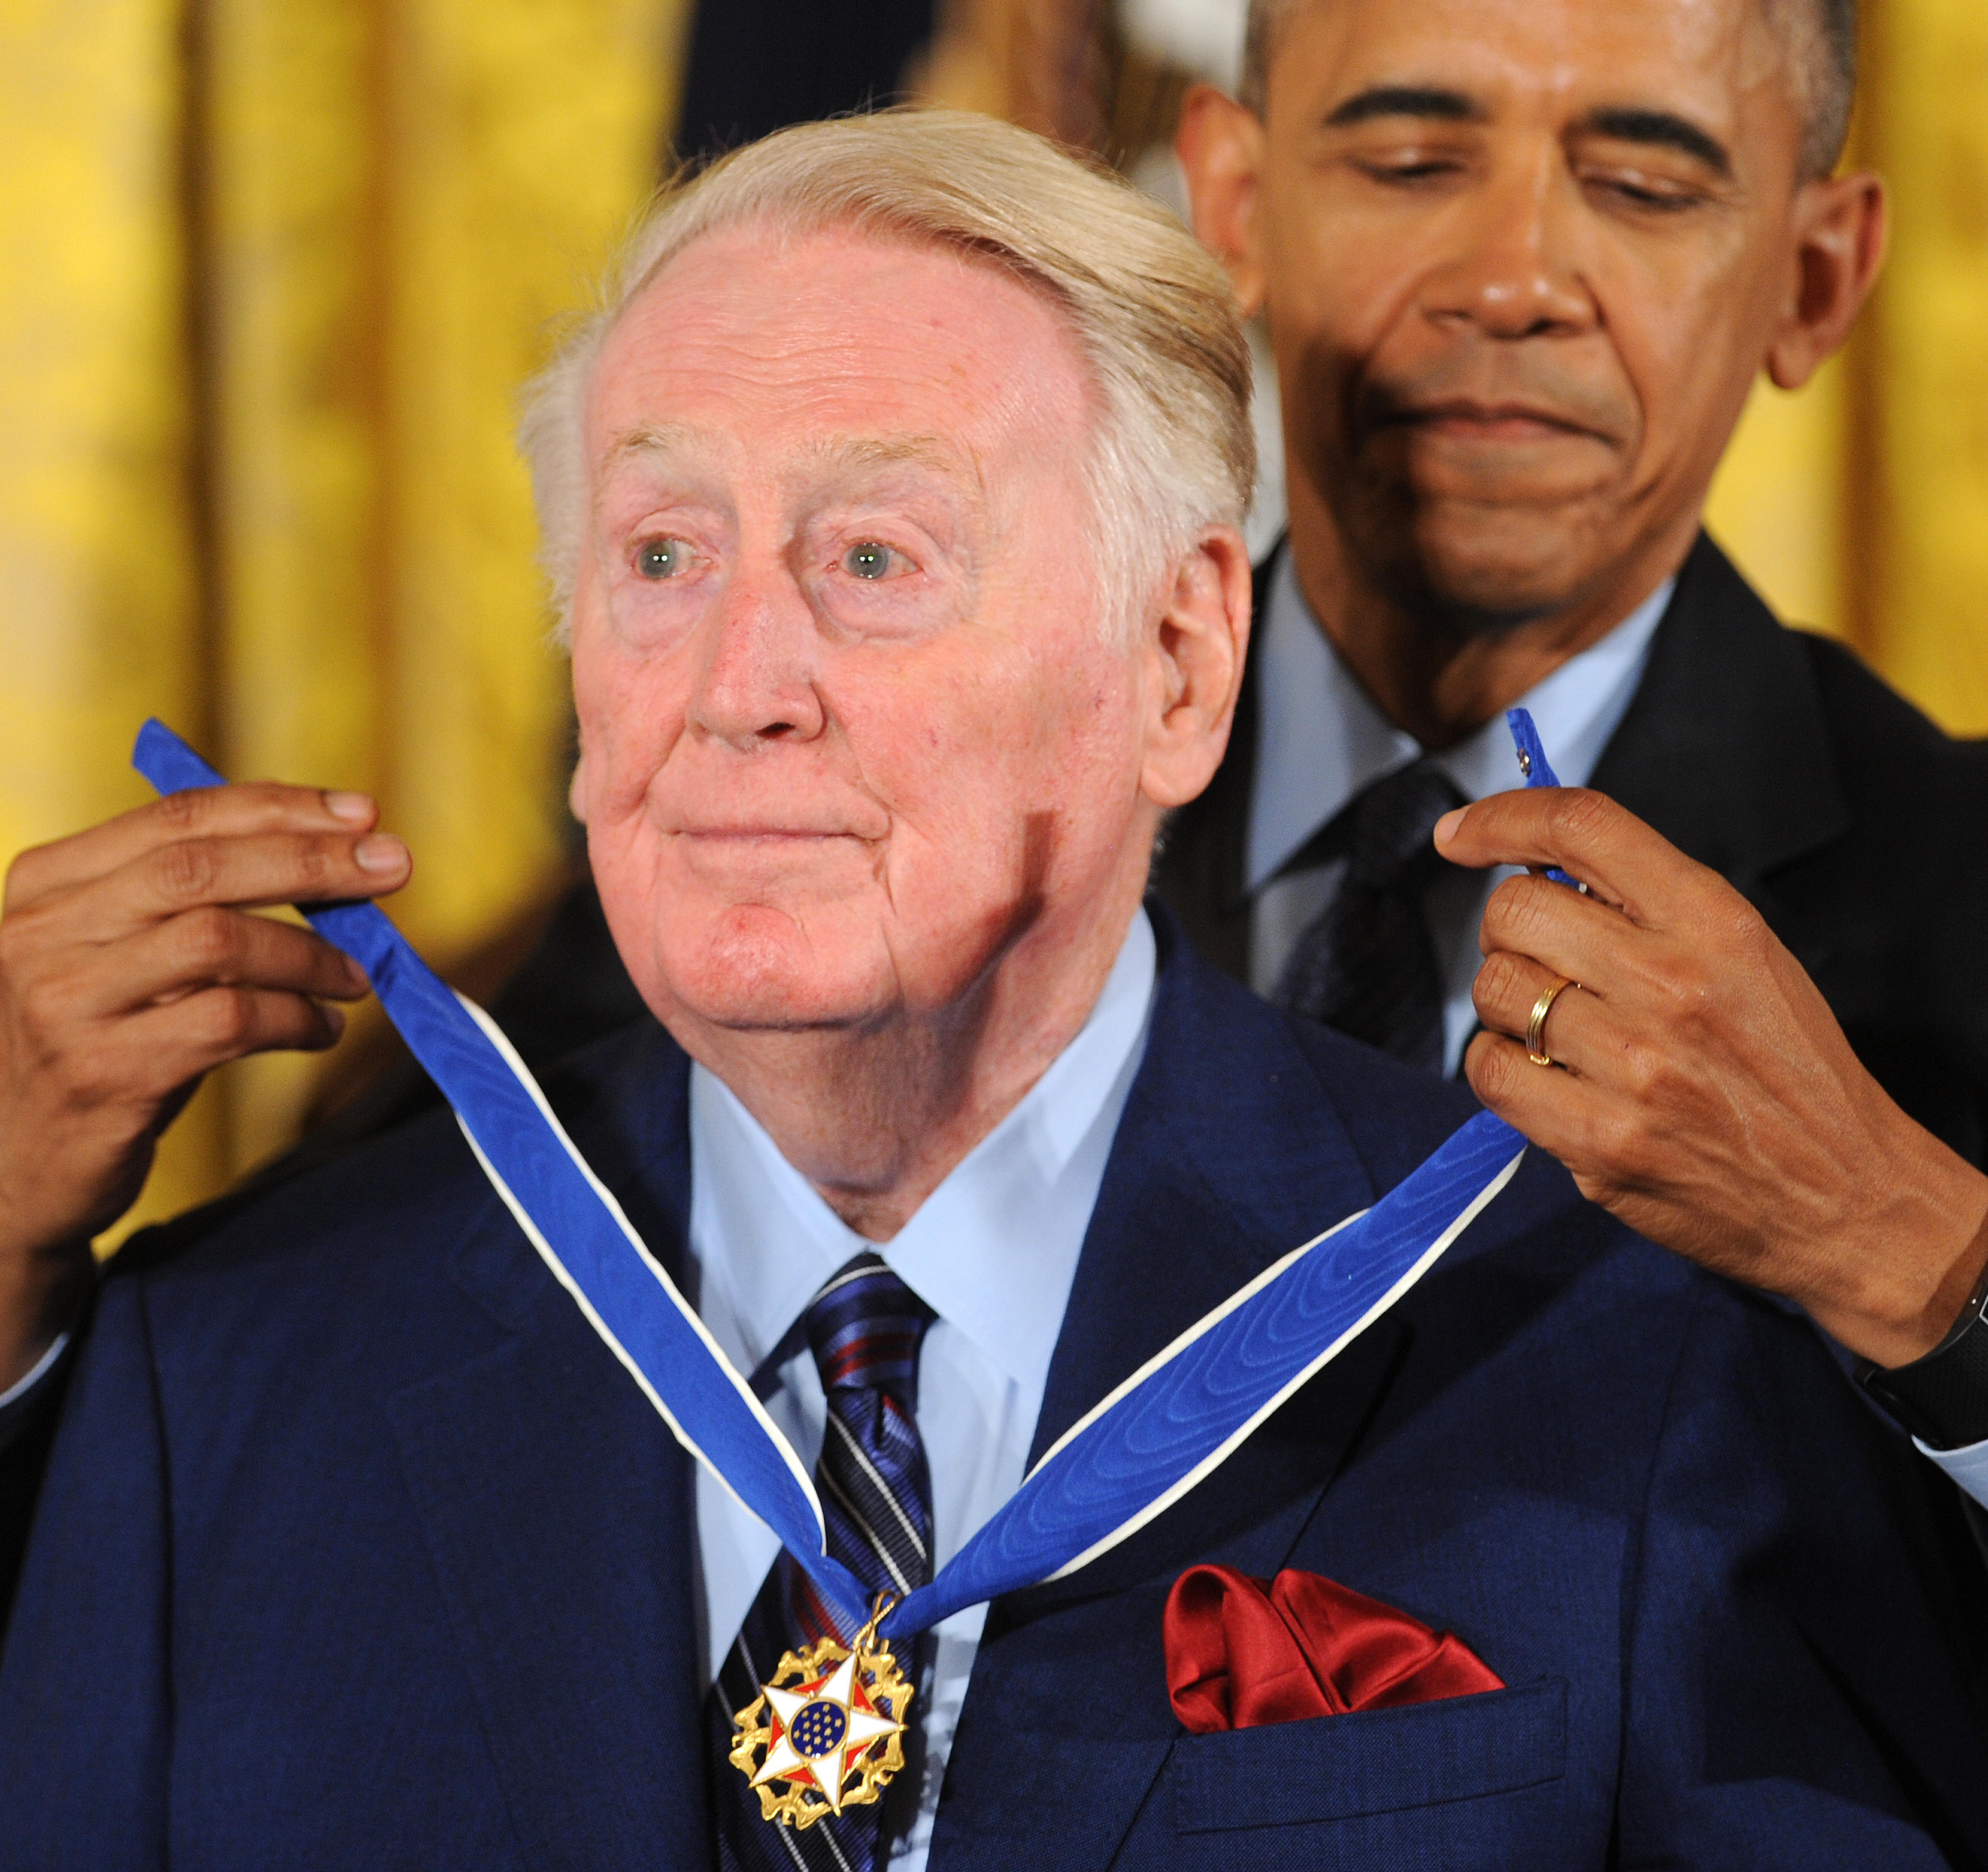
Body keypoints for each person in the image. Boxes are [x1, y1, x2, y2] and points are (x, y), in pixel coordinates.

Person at [2, 110, 1983, 1866]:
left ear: (1180, 663)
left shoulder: (1602, 1341)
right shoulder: (221, 1377)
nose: (738, 685)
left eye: (875, 555)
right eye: (663, 551)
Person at [1161, 0, 1988, 1492]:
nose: (1513, 280)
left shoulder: (1965, 896)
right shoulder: (921, 809)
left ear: (1813, 278)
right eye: (1404, 157)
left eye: (1643, 186)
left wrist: (1904, 1248)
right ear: (1230, 205)